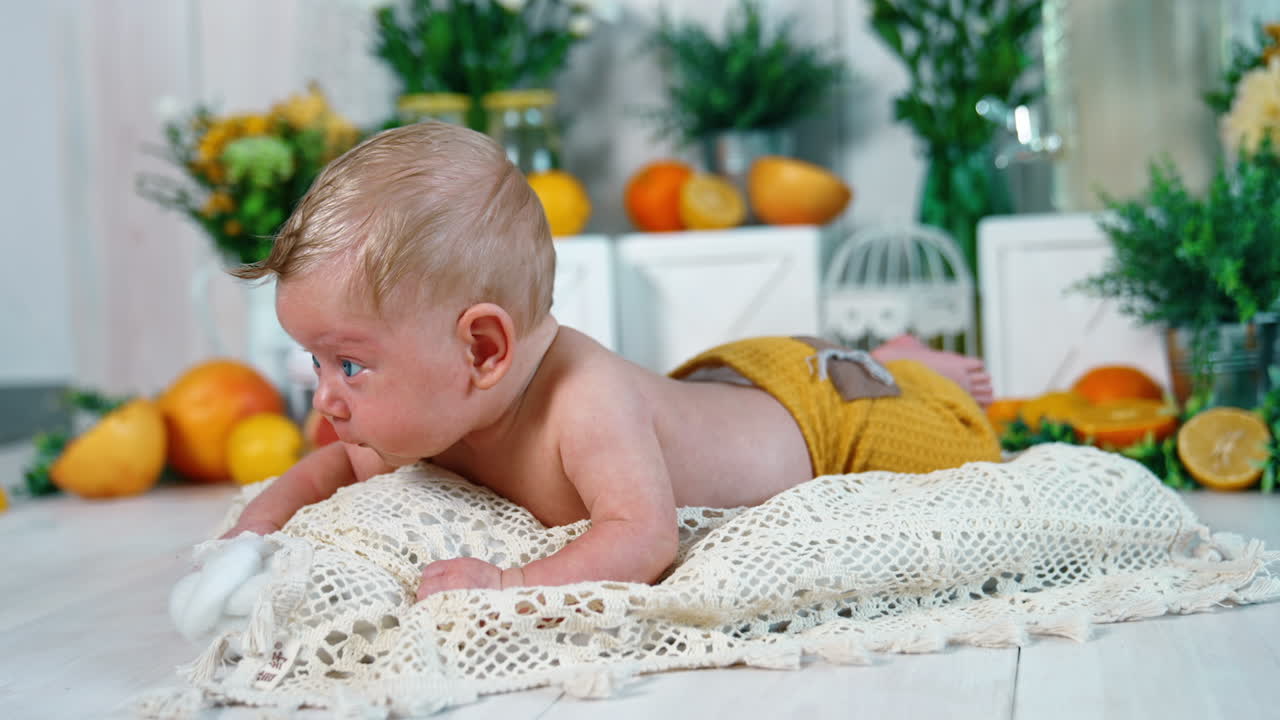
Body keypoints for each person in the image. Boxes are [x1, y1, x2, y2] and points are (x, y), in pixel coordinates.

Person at [221, 122, 1001, 599]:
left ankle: (905, 363)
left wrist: (512, 584)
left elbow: (644, 538)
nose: (325, 398)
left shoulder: (585, 405)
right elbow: (330, 468)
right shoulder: (423, 414)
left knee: (926, 430)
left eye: (350, 365)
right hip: (714, 387)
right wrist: (256, 529)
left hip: (816, 416)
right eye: (316, 363)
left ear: (482, 349)